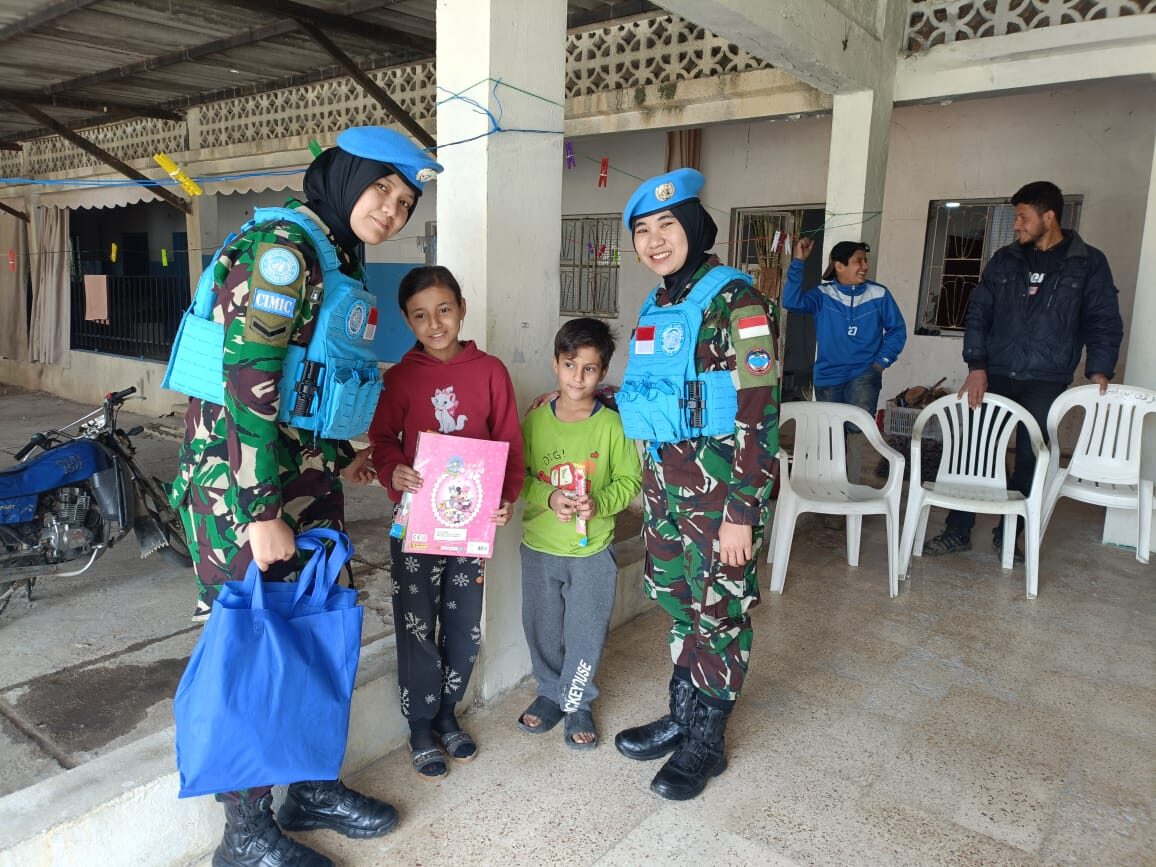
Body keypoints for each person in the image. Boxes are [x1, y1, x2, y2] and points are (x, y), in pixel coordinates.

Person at [168, 127, 441, 867]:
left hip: (301, 478)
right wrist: (260, 512)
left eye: (406, 201)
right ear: (346, 177)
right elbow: (249, 382)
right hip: (249, 487)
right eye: (382, 189)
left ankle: (312, 786)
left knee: (315, 627)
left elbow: (306, 382)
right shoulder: (283, 250)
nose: (391, 208)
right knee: (253, 645)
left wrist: (337, 454)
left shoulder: (332, 255)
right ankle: (246, 834)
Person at [612, 168, 779, 801]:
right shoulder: (659, 302)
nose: (654, 240)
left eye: (667, 225)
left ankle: (707, 741)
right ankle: (682, 716)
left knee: (721, 614)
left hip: (721, 498)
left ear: (696, 228)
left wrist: (742, 511)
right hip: (666, 492)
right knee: (680, 604)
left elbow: (760, 412)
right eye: (642, 231)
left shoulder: (739, 301)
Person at [367, 265, 524, 781]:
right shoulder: (400, 379)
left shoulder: (490, 372)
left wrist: (503, 497)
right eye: (420, 315)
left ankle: (447, 713)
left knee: (462, 619)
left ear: (461, 308)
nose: (434, 323)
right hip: (416, 524)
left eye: (443, 310)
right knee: (416, 621)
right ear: (407, 321)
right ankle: (419, 725)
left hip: (469, 526)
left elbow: (508, 446)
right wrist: (395, 468)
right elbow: (383, 441)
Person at [923, 180, 1123, 558]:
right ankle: (958, 529)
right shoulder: (1005, 259)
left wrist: (1100, 369)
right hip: (994, 373)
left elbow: (1103, 320)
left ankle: (1009, 534)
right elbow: (979, 313)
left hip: (1046, 379)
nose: (1016, 225)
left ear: (1049, 217)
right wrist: (976, 366)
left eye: (1022, 217)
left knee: (1032, 456)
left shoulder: (1088, 263)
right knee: (974, 450)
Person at [516, 318, 642, 749]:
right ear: (556, 363)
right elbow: (521, 477)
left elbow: (630, 481)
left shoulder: (612, 425)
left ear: (603, 372)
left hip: (593, 553)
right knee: (543, 627)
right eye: (571, 365)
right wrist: (549, 497)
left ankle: (578, 701)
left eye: (589, 368)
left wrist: (599, 503)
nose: (578, 376)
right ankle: (551, 694)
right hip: (540, 546)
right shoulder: (534, 423)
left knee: (585, 631)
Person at [784, 238, 906, 419]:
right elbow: (791, 301)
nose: (865, 266)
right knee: (830, 431)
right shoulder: (822, 295)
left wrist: (881, 363)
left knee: (859, 430)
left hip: (864, 374)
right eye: (859, 261)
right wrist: (799, 261)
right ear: (839, 266)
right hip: (828, 376)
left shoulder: (879, 294)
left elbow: (897, 330)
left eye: (865, 260)